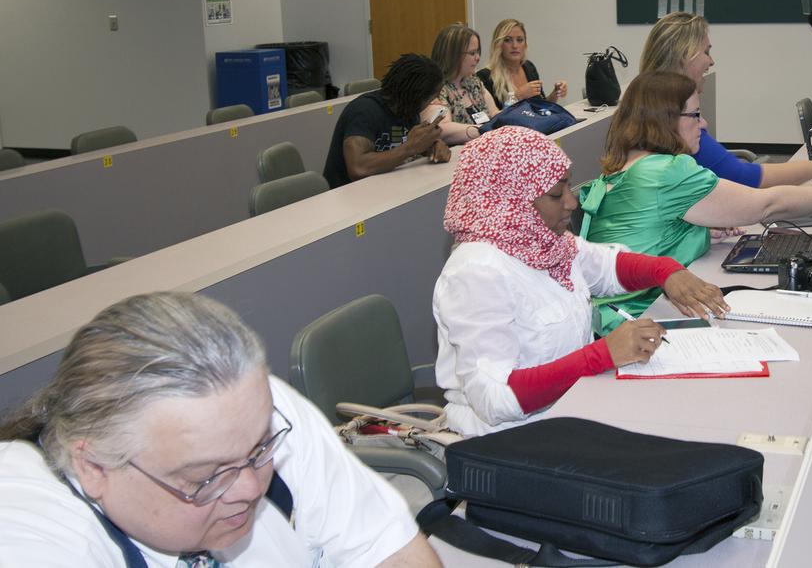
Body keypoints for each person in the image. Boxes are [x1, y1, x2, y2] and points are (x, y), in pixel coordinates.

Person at [0, 291, 442, 567]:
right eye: (205, 478)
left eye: (259, 451)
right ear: (93, 466)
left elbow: (385, 546)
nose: (250, 487)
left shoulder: (246, 411)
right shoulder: (30, 537)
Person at [432, 126, 729, 437]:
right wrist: (602, 355)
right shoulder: (477, 272)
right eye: (556, 194)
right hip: (511, 439)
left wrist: (667, 271)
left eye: (568, 188)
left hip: (570, 411)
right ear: (511, 201)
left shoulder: (542, 241)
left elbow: (608, 267)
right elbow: (494, 399)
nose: (572, 203)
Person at [579, 71, 812, 331]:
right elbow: (767, 205)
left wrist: (697, 232)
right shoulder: (666, 171)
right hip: (632, 323)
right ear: (667, 119)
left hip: (605, 318)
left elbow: (646, 232)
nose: (703, 125)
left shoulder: (626, 168)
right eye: (696, 115)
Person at [641, 11, 812, 187]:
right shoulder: (676, 121)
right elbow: (742, 177)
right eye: (706, 52)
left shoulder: (649, 107)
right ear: (684, 56)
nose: (711, 61)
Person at [322, 53, 450, 188]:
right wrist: (410, 148)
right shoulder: (363, 112)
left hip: (384, 188)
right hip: (347, 197)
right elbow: (358, 168)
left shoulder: (408, 110)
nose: (436, 101)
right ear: (416, 97)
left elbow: (399, 142)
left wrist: (431, 146)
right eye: (433, 97)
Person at [429, 23, 501, 145]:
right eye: (472, 53)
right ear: (453, 55)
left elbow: (493, 113)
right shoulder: (435, 88)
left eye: (478, 52)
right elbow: (443, 129)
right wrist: (484, 130)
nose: (478, 58)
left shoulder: (474, 82)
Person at [476, 18, 569, 107]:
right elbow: (491, 118)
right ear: (498, 44)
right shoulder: (485, 76)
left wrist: (556, 93)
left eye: (520, 40)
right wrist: (517, 96)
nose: (515, 46)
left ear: (525, 44)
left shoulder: (528, 67)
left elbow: (541, 107)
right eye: (508, 40)